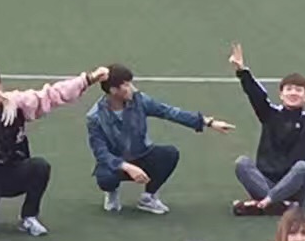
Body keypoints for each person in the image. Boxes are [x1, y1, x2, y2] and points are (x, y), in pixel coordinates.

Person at [0, 64, 110, 235]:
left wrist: (89, 79)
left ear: (0, 89)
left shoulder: (17, 103)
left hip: (15, 168)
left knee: (40, 167)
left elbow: (53, 94)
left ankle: (29, 217)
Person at [87, 63, 234, 215]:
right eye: (127, 85)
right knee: (105, 178)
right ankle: (112, 193)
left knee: (169, 154)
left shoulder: (140, 100)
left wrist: (208, 122)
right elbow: (101, 153)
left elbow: (169, 112)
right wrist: (127, 167)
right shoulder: (95, 117)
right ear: (113, 90)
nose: (133, 88)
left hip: (142, 154)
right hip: (117, 162)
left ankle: (148, 198)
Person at [229, 44, 305, 216]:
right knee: (242, 163)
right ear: (281, 94)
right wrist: (242, 70)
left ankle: (265, 203)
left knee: (302, 168)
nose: (293, 93)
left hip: (294, 189)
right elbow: (256, 95)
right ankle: (278, 205)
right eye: (288, 89)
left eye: (298, 90)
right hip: (265, 182)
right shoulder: (269, 114)